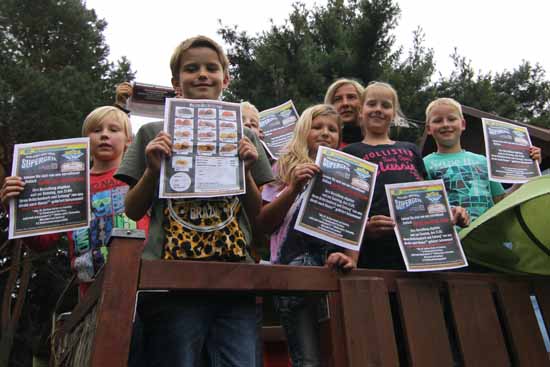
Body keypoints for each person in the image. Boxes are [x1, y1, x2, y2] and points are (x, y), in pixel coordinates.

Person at [114, 35, 274, 367]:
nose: (202, 74)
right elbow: (132, 209)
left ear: (225, 78)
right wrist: (153, 170)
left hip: (236, 278)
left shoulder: (246, 137)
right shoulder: (154, 133)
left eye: (211, 68)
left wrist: (244, 172)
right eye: (191, 69)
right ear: (176, 82)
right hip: (173, 280)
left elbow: (261, 220)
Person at [1, 106, 149, 297]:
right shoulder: (68, 183)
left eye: (114, 130)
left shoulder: (142, 175)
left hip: (142, 283)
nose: (104, 135)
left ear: (129, 140)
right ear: (84, 141)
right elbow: (43, 242)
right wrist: (15, 206)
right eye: (96, 130)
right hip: (90, 291)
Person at [257, 104, 356, 367]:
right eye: (317, 126)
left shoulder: (351, 175)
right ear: (303, 130)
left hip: (334, 268)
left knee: (342, 354)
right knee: (307, 359)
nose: (325, 133)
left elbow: (353, 227)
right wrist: (293, 188)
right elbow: (264, 223)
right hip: (292, 268)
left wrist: (351, 258)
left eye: (332, 129)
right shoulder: (282, 167)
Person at [342, 82, 469, 269]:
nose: (378, 109)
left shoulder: (410, 149)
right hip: (374, 250)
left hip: (419, 248)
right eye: (372, 104)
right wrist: (365, 229)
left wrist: (449, 211)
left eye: (385, 105)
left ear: (393, 114)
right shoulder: (350, 152)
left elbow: (427, 193)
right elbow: (346, 206)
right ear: (361, 110)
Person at [423, 97, 542, 222]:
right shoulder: (424, 164)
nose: (446, 124)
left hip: (488, 237)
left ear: (463, 124)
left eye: (452, 119)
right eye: (438, 121)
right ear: (429, 129)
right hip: (452, 238)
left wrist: (528, 167)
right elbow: (427, 208)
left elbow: (501, 201)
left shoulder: (483, 161)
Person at [324, 78, 364, 148]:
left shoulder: (380, 142)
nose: (345, 103)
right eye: (337, 99)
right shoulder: (323, 144)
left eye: (351, 97)